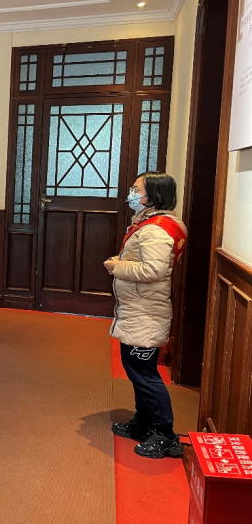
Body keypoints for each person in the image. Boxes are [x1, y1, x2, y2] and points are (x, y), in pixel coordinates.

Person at [106, 172, 187, 459]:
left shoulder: (156, 230)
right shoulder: (149, 224)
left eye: (136, 189)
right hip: (138, 310)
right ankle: (143, 422)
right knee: (136, 371)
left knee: (144, 374)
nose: (131, 193)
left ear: (153, 196)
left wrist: (117, 266)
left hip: (146, 313)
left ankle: (165, 435)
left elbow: (154, 270)